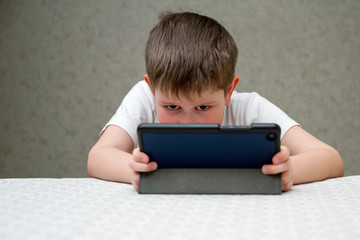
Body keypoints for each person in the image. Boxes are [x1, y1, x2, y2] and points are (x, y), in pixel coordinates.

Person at [88, 12, 344, 192]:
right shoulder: (143, 97)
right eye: (172, 107)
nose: (187, 122)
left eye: (202, 107)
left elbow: (330, 159)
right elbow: (98, 157)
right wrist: (131, 169)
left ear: (229, 90)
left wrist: (290, 171)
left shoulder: (251, 108)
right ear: (152, 89)